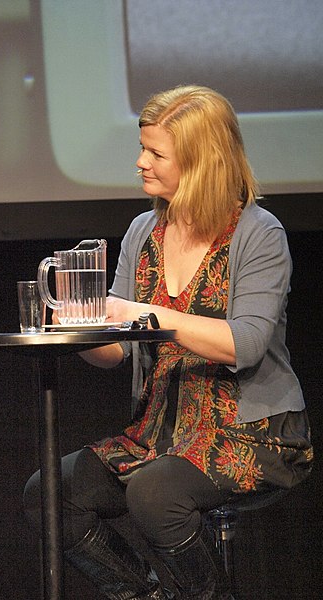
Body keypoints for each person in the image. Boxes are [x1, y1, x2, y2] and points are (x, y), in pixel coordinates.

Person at [24, 85, 313, 599]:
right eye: (142, 148)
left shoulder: (258, 233)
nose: (140, 162)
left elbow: (243, 344)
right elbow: (117, 352)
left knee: (155, 493)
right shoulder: (143, 231)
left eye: (156, 153)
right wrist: (83, 325)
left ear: (202, 162)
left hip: (248, 433)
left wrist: (146, 313)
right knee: (48, 492)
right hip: (158, 433)